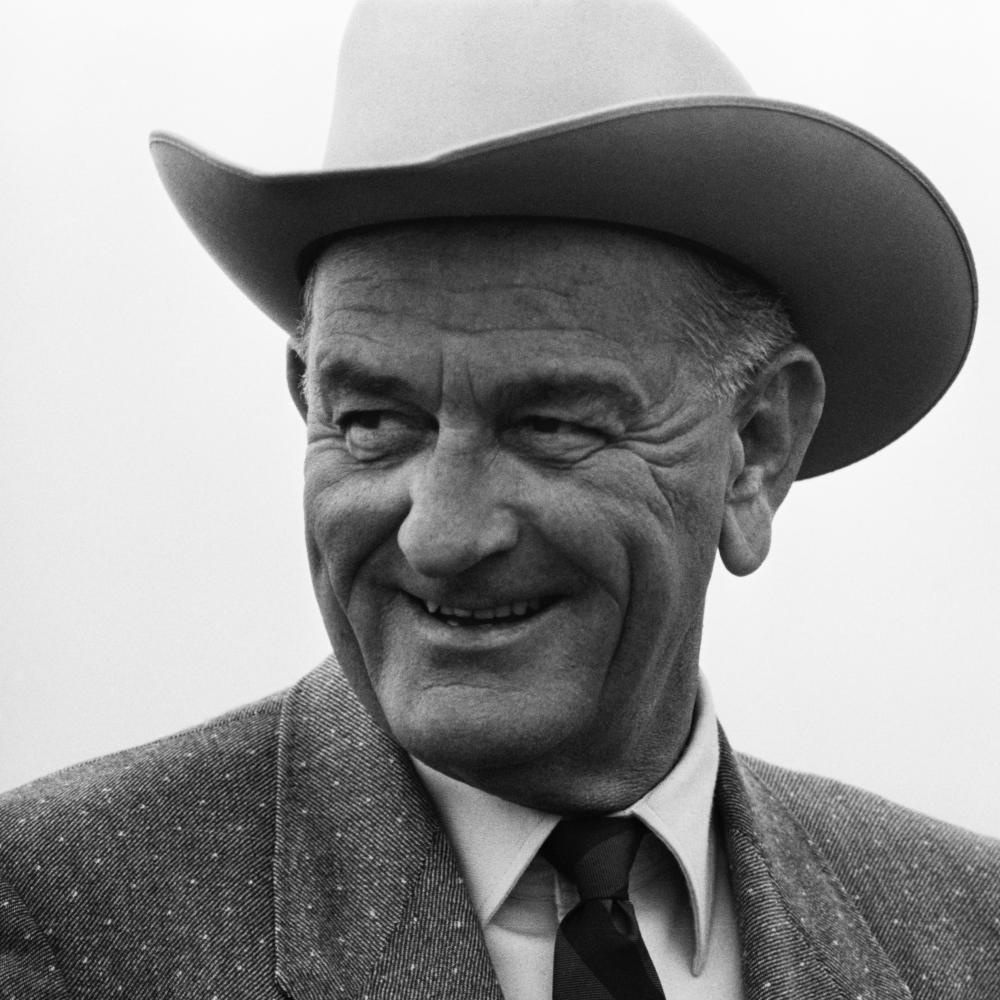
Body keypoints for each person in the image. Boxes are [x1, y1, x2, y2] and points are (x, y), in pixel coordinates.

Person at [1, 2, 997, 998]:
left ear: (755, 449)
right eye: (372, 421)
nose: (441, 534)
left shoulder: (967, 936)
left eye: (551, 425)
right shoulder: (60, 920)